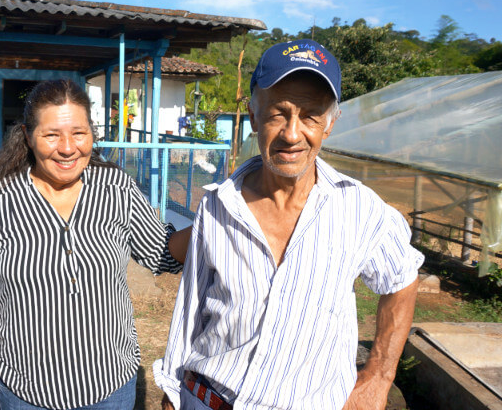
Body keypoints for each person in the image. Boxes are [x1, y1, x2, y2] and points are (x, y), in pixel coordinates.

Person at [154, 39, 424, 410]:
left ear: (329, 124)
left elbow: (402, 281)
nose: (292, 134)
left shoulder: (361, 210)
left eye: (311, 115)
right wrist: (173, 391)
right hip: (207, 400)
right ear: (253, 116)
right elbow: (191, 310)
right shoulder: (218, 206)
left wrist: (378, 375)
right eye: (278, 113)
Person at [0, 79, 188, 410]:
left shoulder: (116, 190)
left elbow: (162, 252)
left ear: (91, 133)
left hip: (110, 389)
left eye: (79, 133)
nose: (67, 148)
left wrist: (211, 223)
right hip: (26, 395)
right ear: (28, 136)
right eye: (52, 135)